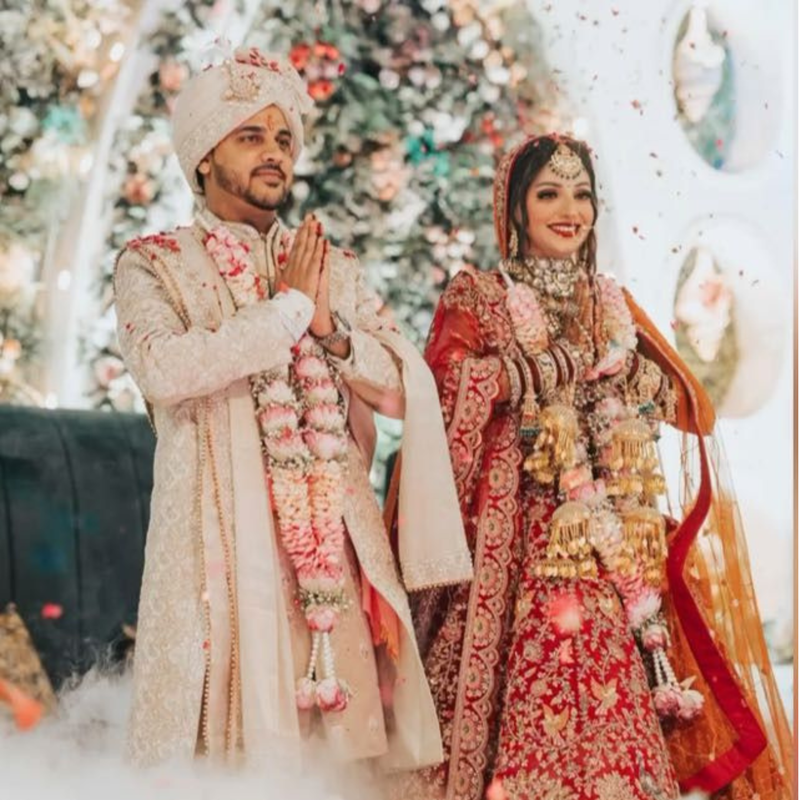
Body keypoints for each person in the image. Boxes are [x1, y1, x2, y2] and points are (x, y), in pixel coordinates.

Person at [391, 134, 792, 800]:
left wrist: (636, 378)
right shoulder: (481, 296)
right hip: (509, 546)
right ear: (515, 209)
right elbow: (444, 391)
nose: (569, 210)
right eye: (549, 193)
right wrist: (541, 370)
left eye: (582, 194)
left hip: (603, 543)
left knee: (612, 696)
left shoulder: (609, 304)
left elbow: (690, 411)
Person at [113, 47, 472, 773]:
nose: (275, 153)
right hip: (218, 545)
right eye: (251, 136)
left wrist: (330, 331)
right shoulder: (152, 264)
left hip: (330, 546)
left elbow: (403, 389)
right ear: (204, 157)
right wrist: (288, 312)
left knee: (343, 759)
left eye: (284, 137)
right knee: (220, 758)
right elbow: (165, 367)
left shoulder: (328, 264)